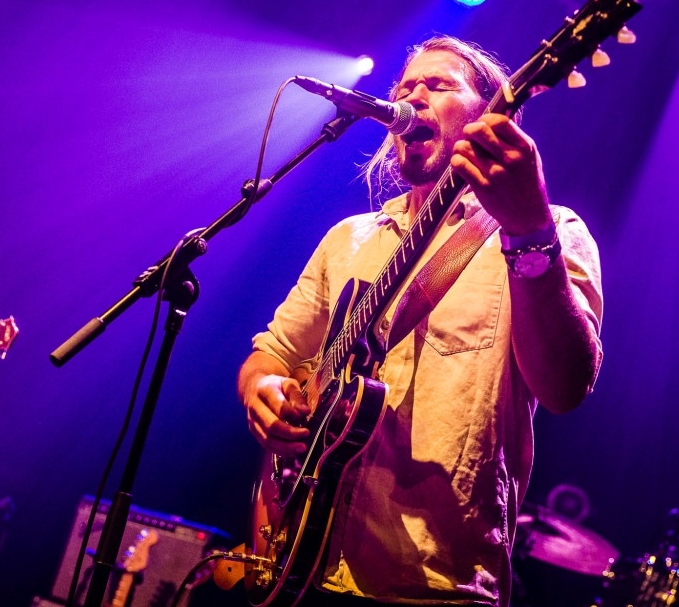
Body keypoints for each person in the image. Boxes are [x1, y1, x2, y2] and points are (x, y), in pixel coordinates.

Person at [238, 36, 603, 607]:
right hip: (303, 558)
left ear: (494, 114)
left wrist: (529, 230)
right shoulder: (348, 239)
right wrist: (261, 389)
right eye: (405, 86)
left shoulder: (550, 231)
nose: (412, 95)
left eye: (439, 85)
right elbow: (274, 353)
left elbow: (565, 388)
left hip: (433, 583)